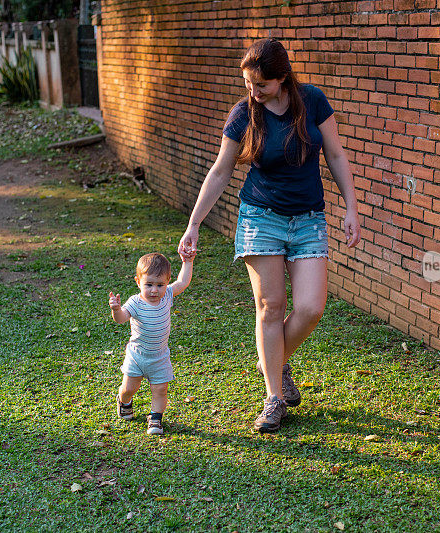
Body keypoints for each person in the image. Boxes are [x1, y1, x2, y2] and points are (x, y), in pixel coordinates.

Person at [178, 38, 361, 433]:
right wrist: (194, 223)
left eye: (260, 85)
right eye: (248, 84)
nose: (253, 92)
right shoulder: (244, 113)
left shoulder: (312, 101)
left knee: (311, 308)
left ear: (282, 78)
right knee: (271, 308)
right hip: (261, 218)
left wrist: (351, 206)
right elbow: (221, 170)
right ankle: (274, 397)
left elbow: (336, 155)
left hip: (309, 218)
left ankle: (271, 359)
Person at [108, 251, 194, 435]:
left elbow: (183, 282)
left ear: (167, 282)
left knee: (160, 389)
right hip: (137, 356)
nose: (154, 290)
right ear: (138, 282)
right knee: (130, 388)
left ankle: (155, 418)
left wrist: (188, 262)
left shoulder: (168, 295)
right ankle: (124, 401)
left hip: (160, 357)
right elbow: (121, 319)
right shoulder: (135, 303)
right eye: (148, 284)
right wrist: (116, 309)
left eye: (160, 285)